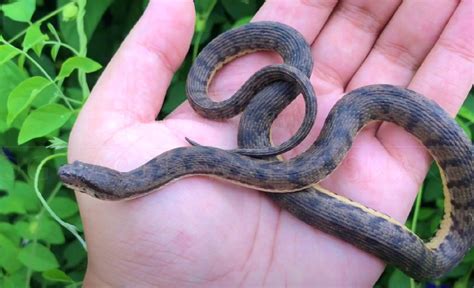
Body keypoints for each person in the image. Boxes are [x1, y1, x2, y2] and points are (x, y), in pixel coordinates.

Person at [67, 0, 472, 286]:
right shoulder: (161, 172)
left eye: (80, 182)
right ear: (104, 189)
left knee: (355, 105)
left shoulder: (181, 159)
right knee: (428, 264)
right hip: (281, 154)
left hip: (326, 109)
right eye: (81, 182)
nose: (74, 181)